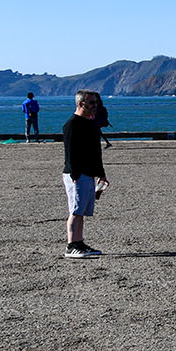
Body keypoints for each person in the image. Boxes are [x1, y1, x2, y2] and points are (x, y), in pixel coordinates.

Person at [62, 89, 108, 258]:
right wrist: (75, 175)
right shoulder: (72, 124)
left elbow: (96, 152)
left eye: (96, 102)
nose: (95, 106)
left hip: (88, 174)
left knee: (82, 210)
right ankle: (71, 245)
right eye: (92, 103)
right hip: (77, 174)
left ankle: (79, 242)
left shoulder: (90, 124)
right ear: (81, 104)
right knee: (75, 210)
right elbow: (70, 152)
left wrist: (101, 174)